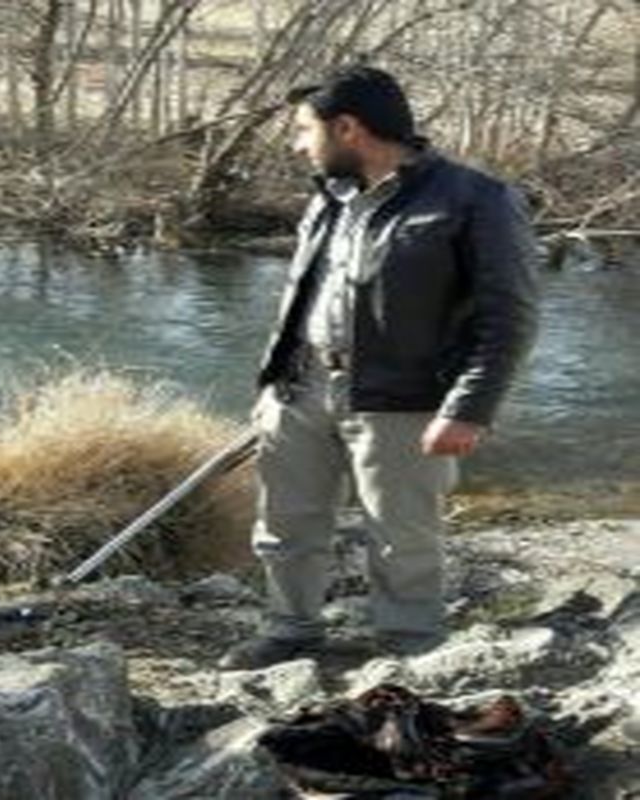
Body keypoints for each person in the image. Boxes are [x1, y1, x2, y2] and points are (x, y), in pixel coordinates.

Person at [220, 66, 539, 669]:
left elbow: (510, 319)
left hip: (407, 400)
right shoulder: (329, 197)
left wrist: (470, 408)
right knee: (285, 525)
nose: (297, 145)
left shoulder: (477, 199)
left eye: (303, 130)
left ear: (348, 128)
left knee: (403, 537)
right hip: (301, 388)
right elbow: (302, 294)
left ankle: (410, 647)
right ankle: (291, 631)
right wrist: (272, 384)